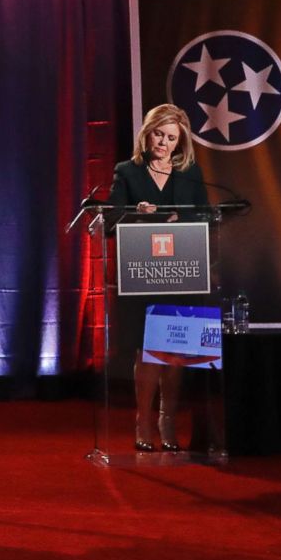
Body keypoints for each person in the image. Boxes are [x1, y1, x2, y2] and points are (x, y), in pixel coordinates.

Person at [107, 103, 209, 452]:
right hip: (143, 272)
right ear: (146, 133)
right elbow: (108, 222)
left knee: (176, 351)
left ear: (180, 143)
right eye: (158, 134)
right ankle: (144, 419)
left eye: (171, 138)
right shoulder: (127, 172)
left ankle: (168, 419)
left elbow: (207, 218)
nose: (163, 143)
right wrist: (134, 214)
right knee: (150, 350)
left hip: (181, 270)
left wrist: (185, 219)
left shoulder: (190, 173)